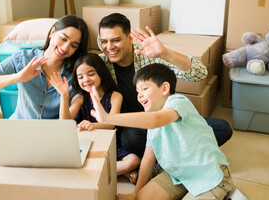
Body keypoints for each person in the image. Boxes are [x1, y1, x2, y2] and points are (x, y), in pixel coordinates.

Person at [90, 63, 235, 200]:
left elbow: (156, 120)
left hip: (210, 175)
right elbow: (147, 159)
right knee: (142, 197)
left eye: (144, 89)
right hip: (179, 174)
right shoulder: (153, 121)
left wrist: (108, 118)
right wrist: (135, 193)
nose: (139, 95)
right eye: (137, 91)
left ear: (164, 88)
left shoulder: (178, 101)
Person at [97, 13, 233, 158]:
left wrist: (164, 53)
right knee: (130, 139)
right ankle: (179, 153)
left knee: (222, 128)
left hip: (165, 121)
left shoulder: (148, 53)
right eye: (104, 41)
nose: (109, 47)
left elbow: (199, 74)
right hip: (136, 126)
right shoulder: (100, 64)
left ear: (130, 38)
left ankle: (166, 156)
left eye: (115, 40)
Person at [0, 14, 89, 153]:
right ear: (52, 32)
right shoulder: (23, 58)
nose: (65, 47)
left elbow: (67, 125)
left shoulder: (77, 73)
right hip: (17, 127)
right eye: (63, 38)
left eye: (73, 45)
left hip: (50, 136)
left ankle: (14, 152)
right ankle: (19, 151)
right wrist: (17, 77)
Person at [49, 53, 140, 183]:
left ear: (101, 74)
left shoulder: (115, 96)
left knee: (133, 161)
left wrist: (94, 125)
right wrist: (63, 96)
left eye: (91, 74)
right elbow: (65, 122)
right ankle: (121, 174)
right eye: (80, 77)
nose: (86, 79)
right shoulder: (80, 97)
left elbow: (110, 124)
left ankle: (90, 174)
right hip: (89, 143)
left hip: (112, 142)